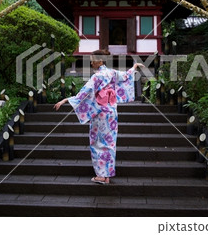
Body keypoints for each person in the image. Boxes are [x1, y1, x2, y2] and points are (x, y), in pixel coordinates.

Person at [54, 49, 144, 184]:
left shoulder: (97, 76)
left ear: (100, 61)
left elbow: (83, 94)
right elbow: (126, 75)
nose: (91, 62)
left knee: (98, 142)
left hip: (100, 112)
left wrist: (65, 100)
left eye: (92, 60)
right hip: (112, 112)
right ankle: (106, 174)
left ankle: (101, 176)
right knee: (109, 143)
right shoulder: (112, 73)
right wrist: (135, 66)